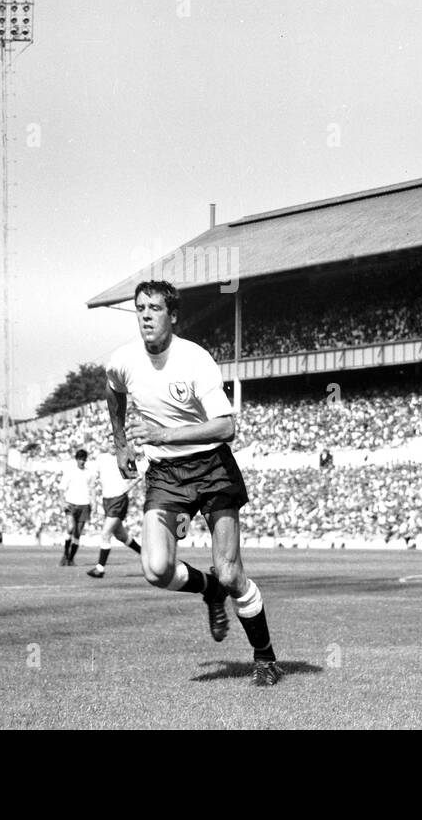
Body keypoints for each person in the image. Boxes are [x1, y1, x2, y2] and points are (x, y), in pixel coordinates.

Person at [106, 280, 282, 686]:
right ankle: (208, 590)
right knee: (155, 569)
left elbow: (226, 426)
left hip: (211, 468)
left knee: (231, 571)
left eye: (154, 308)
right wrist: (120, 445)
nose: (146, 315)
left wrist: (162, 435)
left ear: (174, 315)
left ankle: (265, 657)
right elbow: (113, 391)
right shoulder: (122, 361)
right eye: (140, 308)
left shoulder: (194, 359)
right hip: (166, 474)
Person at [87, 454, 142, 578]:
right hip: (107, 500)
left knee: (105, 534)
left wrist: (127, 488)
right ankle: (145, 555)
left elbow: (138, 475)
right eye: (110, 439)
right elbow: (93, 478)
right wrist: (93, 500)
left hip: (119, 500)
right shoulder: (101, 458)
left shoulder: (125, 456)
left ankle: (100, 569)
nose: (112, 443)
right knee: (121, 536)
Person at [58, 449, 97, 566]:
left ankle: (70, 558)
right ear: (76, 459)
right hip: (71, 503)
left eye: (84, 459)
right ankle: (65, 554)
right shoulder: (70, 472)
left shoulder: (90, 473)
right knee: (70, 528)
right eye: (80, 459)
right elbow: (61, 488)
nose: (82, 461)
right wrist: (62, 502)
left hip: (84, 505)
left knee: (77, 533)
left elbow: (92, 489)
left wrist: (94, 503)